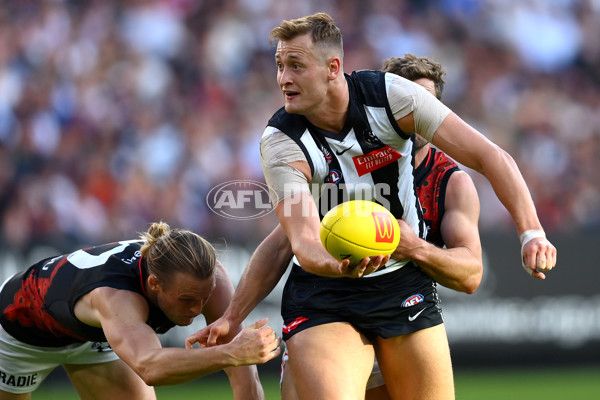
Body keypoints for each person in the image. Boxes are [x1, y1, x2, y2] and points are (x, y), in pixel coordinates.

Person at [191, 12, 556, 400]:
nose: (283, 79)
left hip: (402, 282)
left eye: (295, 66)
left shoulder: (393, 97)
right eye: (280, 66)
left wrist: (531, 232)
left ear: (333, 68)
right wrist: (340, 263)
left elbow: (490, 156)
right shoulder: (281, 141)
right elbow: (300, 240)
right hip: (325, 292)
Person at [0, 221, 281, 400]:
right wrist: (230, 354)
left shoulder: (209, 277)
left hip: (97, 334)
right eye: (186, 300)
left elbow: (245, 378)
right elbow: (150, 366)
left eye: (203, 298)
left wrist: (236, 356)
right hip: (19, 331)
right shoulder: (116, 297)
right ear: (153, 283)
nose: (197, 310)